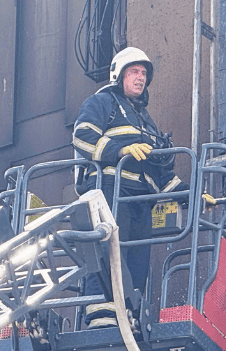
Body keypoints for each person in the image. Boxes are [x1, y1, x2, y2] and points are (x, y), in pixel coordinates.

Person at [73, 47, 186, 328]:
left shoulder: (147, 121)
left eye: (144, 74)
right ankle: (101, 314)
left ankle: (128, 316)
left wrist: (190, 196)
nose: (140, 78)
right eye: (134, 72)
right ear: (119, 74)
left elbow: (162, 173)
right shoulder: (103, 103)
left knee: (136, 258)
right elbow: (82, 137)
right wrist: (120, 150)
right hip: (110, 190)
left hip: (141, 201)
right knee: (108, 249)